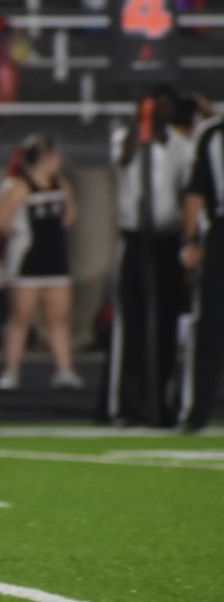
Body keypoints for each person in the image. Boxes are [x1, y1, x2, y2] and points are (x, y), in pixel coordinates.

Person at [104, 87, 191, 427]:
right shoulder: (127, 139)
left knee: (166, 324)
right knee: (132, 325)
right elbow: (124, 159)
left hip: (167, 240)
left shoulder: (180, 145)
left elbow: (187, 191)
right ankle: (125, 404)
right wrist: (140, 125)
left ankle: (159, 402)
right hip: (136, 238)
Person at [0, 132, 83, 391]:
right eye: (56, 155)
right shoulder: (20, 186)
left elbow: (70, 212)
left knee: (59, 319)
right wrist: (21, 236)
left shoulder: (60, 183)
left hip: (55, 260)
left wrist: (59, 228)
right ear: (45, 157)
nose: (59, 160)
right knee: (20, 319)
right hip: (27, 262)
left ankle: (64, 370)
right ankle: (10, 371)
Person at [178, 114, 224, 432]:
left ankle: (197, 412)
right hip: (220, 231)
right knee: (210, 326)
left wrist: (190, 240)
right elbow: (195, 193)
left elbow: (194, 193)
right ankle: (197, 410)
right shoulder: (212, 135)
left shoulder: (213, 134)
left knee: (210, 326)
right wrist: (191, 240)